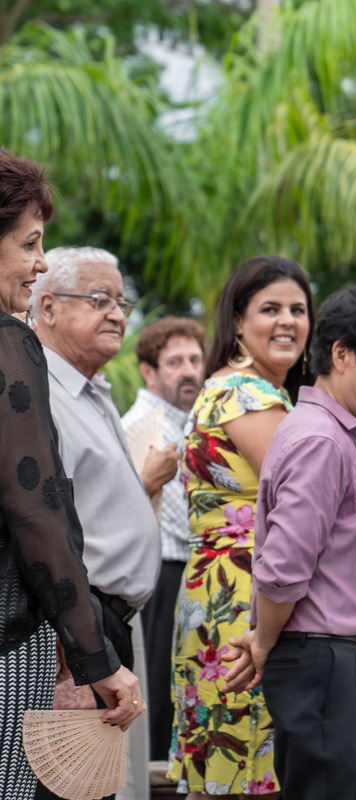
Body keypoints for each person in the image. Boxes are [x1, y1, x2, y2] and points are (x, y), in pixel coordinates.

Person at [221, 285, 356, 800]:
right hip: (330, 662)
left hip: (337, 661)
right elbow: (283, 567)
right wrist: (262, 642)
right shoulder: (320, 440)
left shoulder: (333, 433)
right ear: (342, 354)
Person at [0, 149, 142, 800]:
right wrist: (93, 657)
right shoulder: (10, 343)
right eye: (30, 244)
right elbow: (37, 508)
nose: (37, 262)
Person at [166, 256, 313, 798]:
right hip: (244, 596)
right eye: (270, 309)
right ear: (237, 320)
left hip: (222, 588)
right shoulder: (246, 394)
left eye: (298, 310)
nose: (288, 322)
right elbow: (309, 500)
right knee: (252, 759)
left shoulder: (232, 388)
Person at [31, 245, 166, 800]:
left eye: (121, 301)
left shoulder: (91, 390)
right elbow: (40, 531)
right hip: (72, 632)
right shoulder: (39, 394)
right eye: (98, 299)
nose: (117, 312)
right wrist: (70, 667)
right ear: (47, 309)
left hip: (105, 626)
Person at [121, 317, 206, 762]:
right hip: (162, 576)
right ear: (149, 372)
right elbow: (178, 521)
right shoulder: (143, 427)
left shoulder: (193, 420)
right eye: (175, 362)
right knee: (160, 690)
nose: (188, 370)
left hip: (186, 570)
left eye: (194, 359)